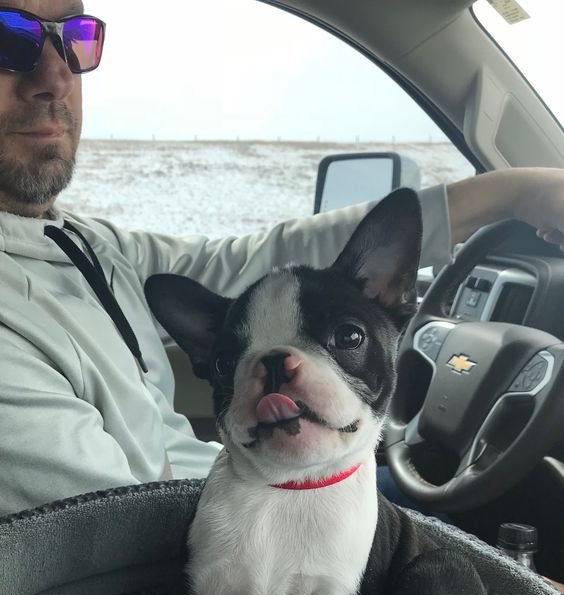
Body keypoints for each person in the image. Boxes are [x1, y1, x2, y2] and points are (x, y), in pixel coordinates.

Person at [1, 0, 564, 518]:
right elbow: (110, 537)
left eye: (74, 37)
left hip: (237, 494)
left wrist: (510, 194)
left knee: (513, 497)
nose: (56, 77)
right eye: (7, 36)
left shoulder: (88, 244)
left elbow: (266, 273)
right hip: (227, 553)